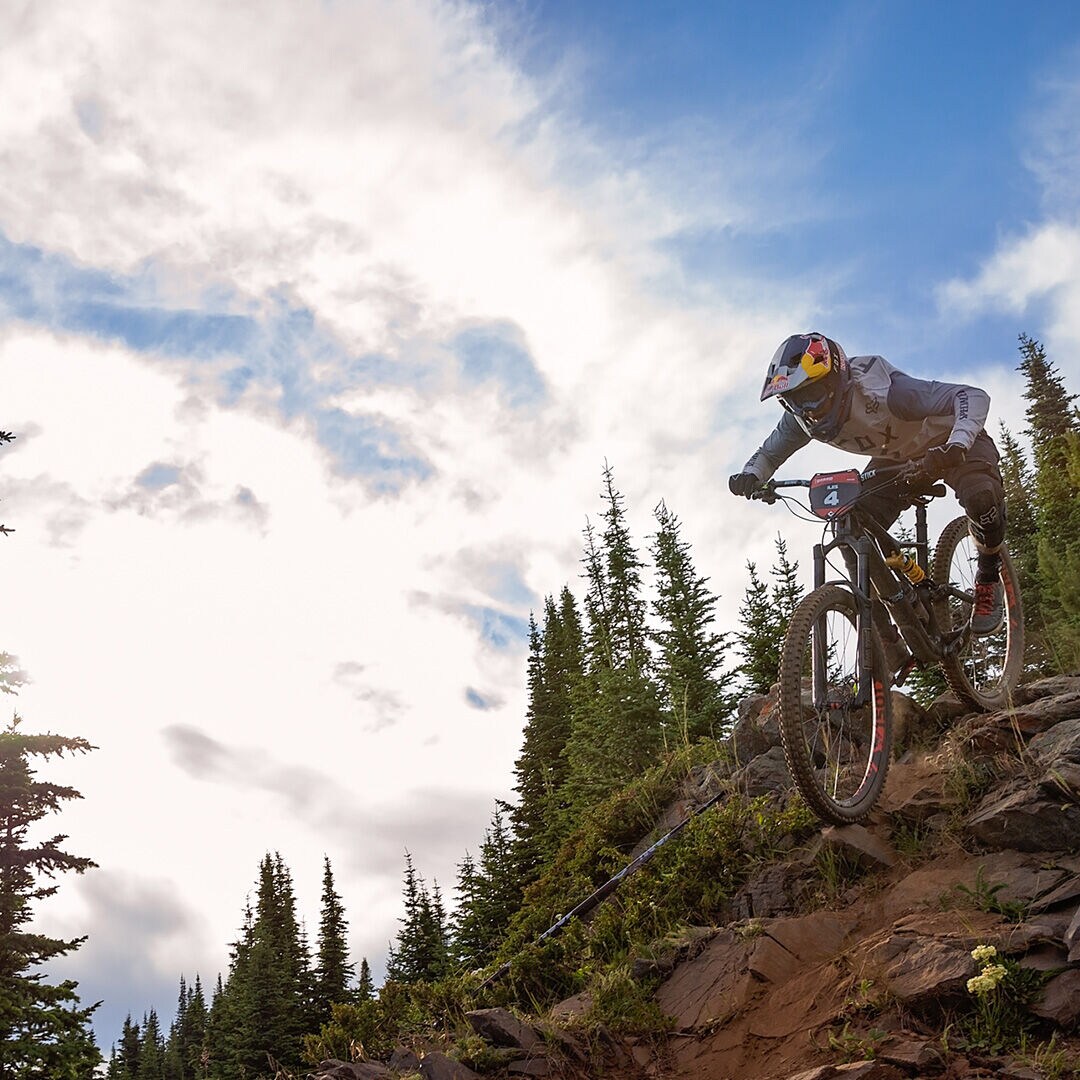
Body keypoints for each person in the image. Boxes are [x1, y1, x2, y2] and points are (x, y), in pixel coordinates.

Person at [728, 333, 1007, 668]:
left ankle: (989, 576)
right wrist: (751, 476)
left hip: (950, 441)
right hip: (898, 461)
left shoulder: (886, 392)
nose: (806, 408)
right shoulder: (802, 417)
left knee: (980, 497)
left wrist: (958, 444)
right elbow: (768, 454)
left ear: (836, 379)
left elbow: (972, 396)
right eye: (793, 400)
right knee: (849, 525)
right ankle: (886, 636)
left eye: (812, 394)